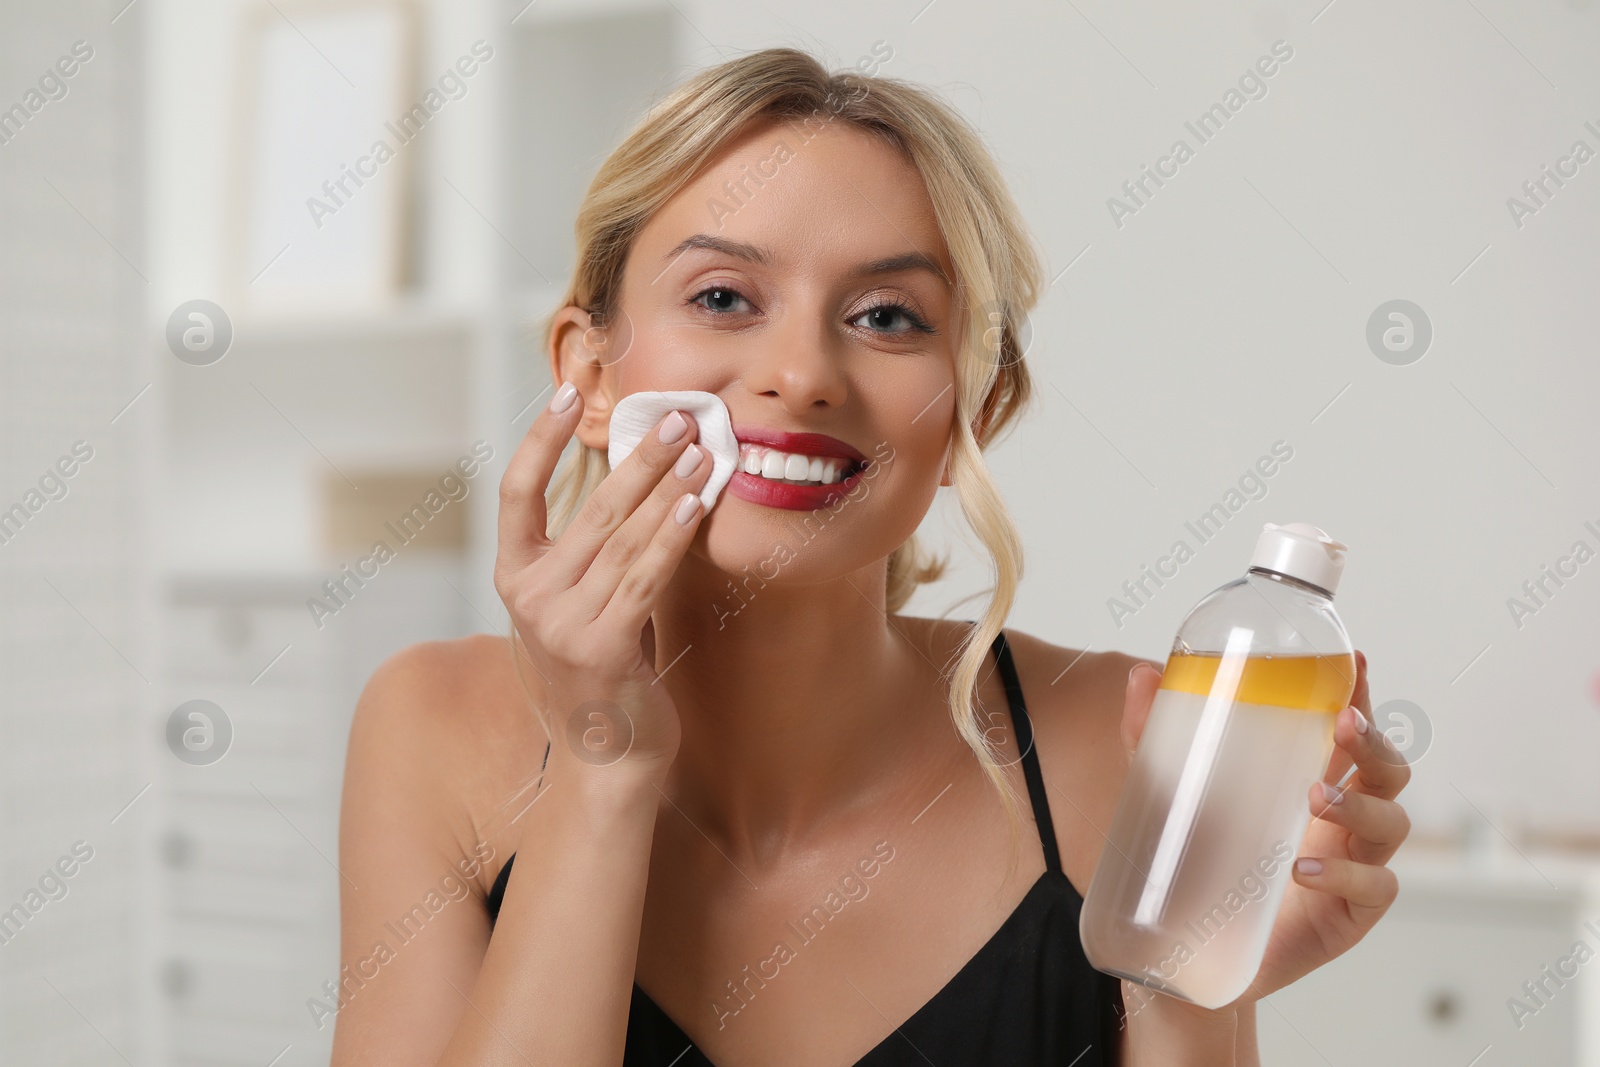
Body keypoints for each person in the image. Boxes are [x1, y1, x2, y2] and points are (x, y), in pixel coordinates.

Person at [332, 47, 1411, 1066]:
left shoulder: (1123, 748)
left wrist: (1192, 985)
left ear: (973, 411)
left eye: (887, 315)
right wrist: (603, 765)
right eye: (722, 297)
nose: (800, 372)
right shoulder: (433, 727)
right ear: (594, 371)